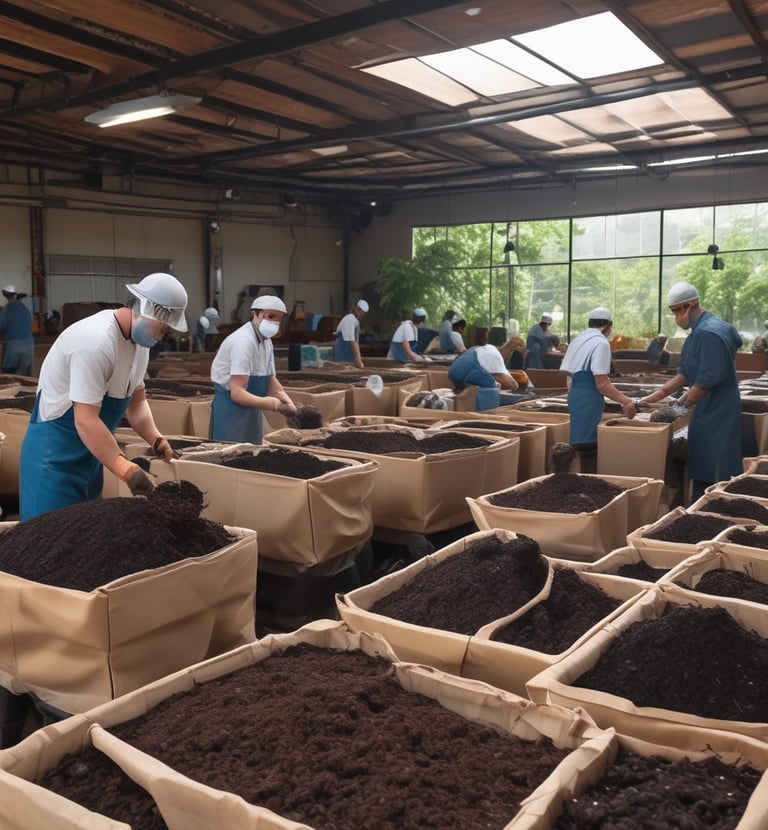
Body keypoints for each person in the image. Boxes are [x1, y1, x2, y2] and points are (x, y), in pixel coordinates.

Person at [19, 272, 188, 521]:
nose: (162, 335)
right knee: (45, 544)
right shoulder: (96, 342)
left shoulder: (140, 346)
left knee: (83, 541)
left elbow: (136, 403)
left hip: (92, 453)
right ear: (145, 308)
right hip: (53, 458)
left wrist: (157, 440)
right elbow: (85, 420)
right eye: (162, 327)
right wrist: (126, 469)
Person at [639, 282, 742, 502]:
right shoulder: (699, 333)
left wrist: (673, 411)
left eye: (679, 310)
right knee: (703, 454)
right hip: (707, 406)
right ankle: (702, 499)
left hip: (718, 406)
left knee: (717, 459)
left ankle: (714, 505)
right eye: (673, 311)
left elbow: (703, 383)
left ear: (692, 304)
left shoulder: (709, 333)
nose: (677, 316)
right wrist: (647, 400)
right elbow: (685, 375)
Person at [210, 294, 297, 444]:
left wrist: (291, 407)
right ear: (255, 314)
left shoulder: (266, 342)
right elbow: (237, 394)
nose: (275, 322)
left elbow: (270, 381)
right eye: (270, 316)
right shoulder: (243, 342)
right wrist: (275, 405)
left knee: (251, 454)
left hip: (252, 408)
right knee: (228, 455)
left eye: (279, 319)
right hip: (231, 411)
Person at [559, 307, 637, 473]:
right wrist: (626, 401)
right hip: (588, 396)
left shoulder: (578, 339)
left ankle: (578, 480)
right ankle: (586, 482)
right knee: (587, 445)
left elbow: (568, 376)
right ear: (608, 325)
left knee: (579, 440)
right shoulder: (601, 343)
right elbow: (601, 383)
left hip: (575, 394)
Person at [448, 340, 519, 410]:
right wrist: (517, 386)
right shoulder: (494, 357)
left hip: (454, 372)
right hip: (469, 370)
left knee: (487, 378)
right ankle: (487, 414)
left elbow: (496, 372)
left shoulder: (486, 349)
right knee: (489, 382)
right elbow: (512, 384)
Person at [0, 285, 34, 376]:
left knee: (10, 375)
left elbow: (1, 325)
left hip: (14, 345)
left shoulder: (7, 310)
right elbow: (29, 323)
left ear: (4, 294)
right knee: (26, 376)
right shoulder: (25, 308)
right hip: (29, 345)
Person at [333, 299, 369, 368]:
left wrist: (358, 358)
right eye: (360, 311)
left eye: (363, 313)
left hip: (347, 348)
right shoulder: (350, 319)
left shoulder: (355, 321)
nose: (362, 314)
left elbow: (355, 341)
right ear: (356, 308)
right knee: (343, 367)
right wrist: (358, 360)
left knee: (350, 367)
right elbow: (352, 341)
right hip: (343, 347)